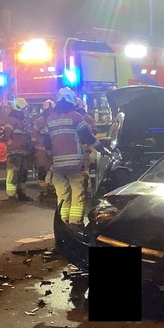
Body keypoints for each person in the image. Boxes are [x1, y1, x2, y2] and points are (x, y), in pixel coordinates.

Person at [47, 88, 110, 228]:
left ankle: (63, 222)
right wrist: (102, 149)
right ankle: (75, 223)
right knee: (77, 192)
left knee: (63, 194)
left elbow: (46, 143)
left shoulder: (50, 119)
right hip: (75, 164)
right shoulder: (75, 116)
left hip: (57, 165)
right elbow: (88, 137)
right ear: (72, 100)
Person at [2, 97, 33, 202]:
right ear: (19, 108)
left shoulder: (22, 121)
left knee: (23, 174)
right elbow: (7, 135)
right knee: (13, 174)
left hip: (23, 153)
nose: (26, 110)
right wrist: (11, 149)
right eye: (24, 108)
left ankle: (22, 194)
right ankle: (11, 195)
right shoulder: (11, 120)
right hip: (14, 154)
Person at [32, 99, 56, 199]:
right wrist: (36, 144)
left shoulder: (56, 119)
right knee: (42, 169)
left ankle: (51, 188)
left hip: (54, 149)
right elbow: (34, 134)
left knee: (53, 169)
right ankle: (43, 191)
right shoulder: (40, 121)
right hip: (42, 150)